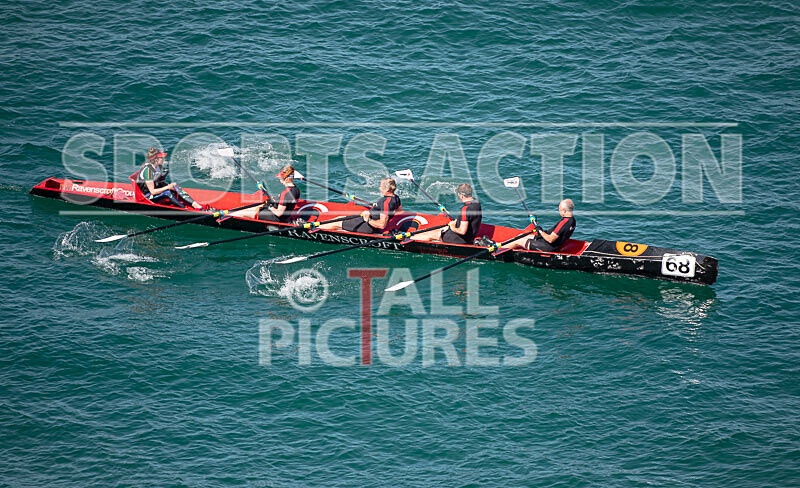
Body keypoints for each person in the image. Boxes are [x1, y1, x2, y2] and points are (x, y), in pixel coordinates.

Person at [320, 178, 401, 234]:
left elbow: (382, 225)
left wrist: (367, 219)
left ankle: (315, 230)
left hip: (369, 227)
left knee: (336, 223)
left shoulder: (386, 203)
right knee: (340, 217)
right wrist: (378, 208)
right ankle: (320, 226)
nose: (380, 188)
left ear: (386, 189)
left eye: (381, 186)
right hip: (369, 223)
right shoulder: (396, 198)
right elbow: (398, 210)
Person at [136, 148, 208, 210]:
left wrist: (163, 177)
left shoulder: (158, 166)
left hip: (154, 188)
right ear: (156, 160)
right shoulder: (148, 171)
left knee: (175, 186)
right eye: (162, 158)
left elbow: (158, 180)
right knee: (167, 192)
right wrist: (168, 187)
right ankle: (184, 209)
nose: (164, 159)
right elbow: (153, 192)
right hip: (146, 196)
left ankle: (194, 204)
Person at [414, 183, 482, 244]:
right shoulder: (477, 202)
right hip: (469, 236)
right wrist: (456, 222)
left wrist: (453, 227)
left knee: (431, 234)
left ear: (461, 195)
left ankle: (408, 240)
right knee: (440, 229)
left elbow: (462, 231)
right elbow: (470, 219)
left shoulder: (465, 209)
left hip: (460, 239)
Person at [229, 164, 300, 223]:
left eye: (280, 178)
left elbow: (279, 213)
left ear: (286, 179)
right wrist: (275, 199)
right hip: (285, 217)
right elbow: (287, 202)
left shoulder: (285, 193)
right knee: (254, 208)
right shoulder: (296, 190)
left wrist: (270, 207)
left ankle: (226, 217)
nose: (279, 179)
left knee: (243, 213)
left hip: (277, 218)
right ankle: (230, 214)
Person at [507, 199, 576, 252]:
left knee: (518, 241)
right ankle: (502, 244)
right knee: (522, 236)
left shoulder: (564, 223)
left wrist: (540, 231)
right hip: (554, 244)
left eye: (559, 210)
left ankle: (498, 250)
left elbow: (550, 239)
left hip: (548, 247)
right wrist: (542, 231)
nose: (559, 212)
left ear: (564, 210)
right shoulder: (573, 221)